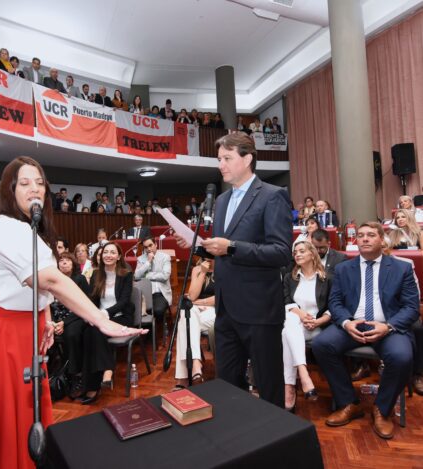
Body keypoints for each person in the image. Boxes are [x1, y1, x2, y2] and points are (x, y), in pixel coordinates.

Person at [0, 156, 144, 469]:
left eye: (40, 183)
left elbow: (35, 288)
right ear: (9, 191)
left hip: (19, 335)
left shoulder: (27, 230)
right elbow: (50, 280)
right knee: (0, 435)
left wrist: (45, 319)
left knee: (23, 429)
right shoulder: (8, 229)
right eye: (24, 183)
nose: (34, 189)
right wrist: (100, 319)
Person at [175, 132, 292, 408]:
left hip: (259, 309)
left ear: (247, 159)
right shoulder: (222, 201)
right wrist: (198, 245)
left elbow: (281, 252)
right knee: (227, 386)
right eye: (219, 159)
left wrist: (232, 247)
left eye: (227, 158)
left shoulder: (272, 196)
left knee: (269, 386)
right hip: (226, 309)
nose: (220, 165)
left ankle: (275, 432)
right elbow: (223, 249)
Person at [312, 222, 419, 440]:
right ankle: (349, 403)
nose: (365, 239)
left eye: (371, 235)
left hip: (387, 326)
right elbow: (335, 302)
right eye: (360, 235)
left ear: (382, 240)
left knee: (401, 356)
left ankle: (382, 409)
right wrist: (346, 323)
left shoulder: (401, 268)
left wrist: (388, 326)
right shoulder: (344, 269)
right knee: (321, 345)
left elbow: (411, 307)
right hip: (353, 325)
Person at [83, 242, 135, 403]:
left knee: (95, 330)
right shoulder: (96, 275)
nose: (108, 255)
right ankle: (102, 373)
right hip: (101, 317)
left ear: (119, 256)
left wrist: (104, 314)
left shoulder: (126, 274)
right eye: (106, 252)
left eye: (113, 252)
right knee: (87, 332)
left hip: (121, 316)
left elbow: (124, 301)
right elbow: (92, 299)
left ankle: (95, 385)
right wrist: (91, 314)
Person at [282, 241, 331, 412]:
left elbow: (333, 305)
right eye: (295, 252)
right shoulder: (290, 277)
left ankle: (289, 385)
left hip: (318, 327)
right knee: (290, 322)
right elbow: (287, 302)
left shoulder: (327, 278)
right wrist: (301, 314)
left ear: (312, 253)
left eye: (302, 251)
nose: (297, 254)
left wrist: (318, 321)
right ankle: (304, 375)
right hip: (297, 326)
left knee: (286, 332)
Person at [48, 252, 90, 399]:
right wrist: (53, 323)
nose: (64, 262)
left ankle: (75, 375)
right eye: (61, 260)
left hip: (76, 316)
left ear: (73, 264)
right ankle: (52, 376)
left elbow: (86, 304)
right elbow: (48, 304)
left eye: (67, 260)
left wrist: (64, 323)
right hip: (56, 318)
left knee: (71, 334)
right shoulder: (52, 280)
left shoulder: (80, 279)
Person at [175, 258, 215, 388]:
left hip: (216, 310)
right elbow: (191, 296)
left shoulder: (224, 269)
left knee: (184, 323)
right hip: (196, 311)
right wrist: (202, 273)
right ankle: (196, 365)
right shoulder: (197, 270)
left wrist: (199, 303)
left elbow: (221, 297)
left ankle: (182, 379)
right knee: (187, 315)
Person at [134, 236, 172, 320]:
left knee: (158, 311)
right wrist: (148, 262)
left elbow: (165, 276)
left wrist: (147, 275)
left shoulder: (165, 257)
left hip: (159, 293)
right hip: (144, 293)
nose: (148, 249)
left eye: (150, 245)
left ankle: (159, 326)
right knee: (134, 310)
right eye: (146, 247)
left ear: (156, 244)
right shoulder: (141, 259)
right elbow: (136, 276)